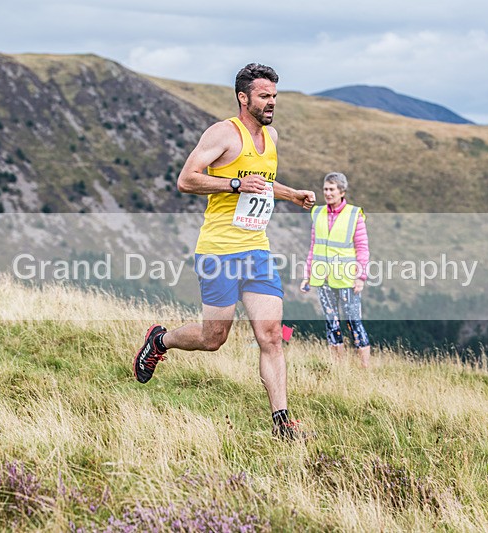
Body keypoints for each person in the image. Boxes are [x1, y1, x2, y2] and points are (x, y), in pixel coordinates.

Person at [133, 63, 317, 440]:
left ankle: (282, 422)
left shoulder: (272, 136)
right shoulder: (223, 133)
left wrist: (291, 194)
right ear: (243, 98)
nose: (271, 103)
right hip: (219, 252)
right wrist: (233, 184)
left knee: (271, 336)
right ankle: (160, 341)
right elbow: (187, 180)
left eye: (275, 96)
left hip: (257, 250)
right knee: (213, 338)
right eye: (264, 96)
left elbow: (261, 183)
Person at [300, 172, 371, 367]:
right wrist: (307, 275)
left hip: (347, 278)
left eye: (332, 189)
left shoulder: (354, 215)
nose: (328, 193)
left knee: (353, 322)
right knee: (331, 322)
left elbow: (362, 248)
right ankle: (338, 367)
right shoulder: (318, 213)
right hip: (322, 277)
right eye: (325, 189)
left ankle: (365, 368)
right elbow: (313, 246)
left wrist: (361, 277)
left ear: (342, 191)